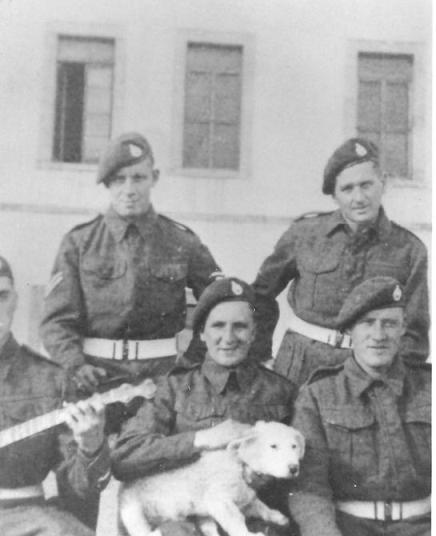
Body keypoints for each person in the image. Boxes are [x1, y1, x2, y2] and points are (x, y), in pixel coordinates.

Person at [112, 277, 298, 536]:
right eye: (218, 326)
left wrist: (264, 475)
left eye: (240, 326)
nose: (228, 337)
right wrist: (201, 439)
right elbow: (124, 459)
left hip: (252, 516)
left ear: (254, 332)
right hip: (188, 518)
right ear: (202, 332)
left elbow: (303, 468)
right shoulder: (175, 386)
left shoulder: (281, 391)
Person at [40, 132, 221, 399]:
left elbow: (220, 302)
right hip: (95, 377)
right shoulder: (79, 243)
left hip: (165, 377)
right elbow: (56, 321)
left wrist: (192, 362)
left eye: (138, 178)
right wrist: (75, 364)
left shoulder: (181, 241)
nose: (129, 190)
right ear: (107, 185)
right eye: (118, 180)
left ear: (154, 178)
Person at [252, 137, 429, 385]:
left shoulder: (408, 249)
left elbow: (415, 332)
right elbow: (259, 294)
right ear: (334, 195)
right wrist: (260, 355)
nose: (359, 198)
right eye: (347, 189)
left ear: (383, 183)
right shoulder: (305, 234)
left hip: (368, 373)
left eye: (366, 185)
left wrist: (391, 384)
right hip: (300, 367)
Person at [288, 276, 431, 536]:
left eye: (389, 323)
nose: (379, 335)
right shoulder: (318, 396)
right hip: (348, 528)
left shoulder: (428, 387)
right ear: (349, 329)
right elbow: (309, 488)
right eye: (367, 323)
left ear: (403, 327)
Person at [0, 255, 110, 535]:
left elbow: (77, 492)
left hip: (23, 521)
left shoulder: (53, 380)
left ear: (14, 300)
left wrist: (90, 446)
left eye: (0, 295)